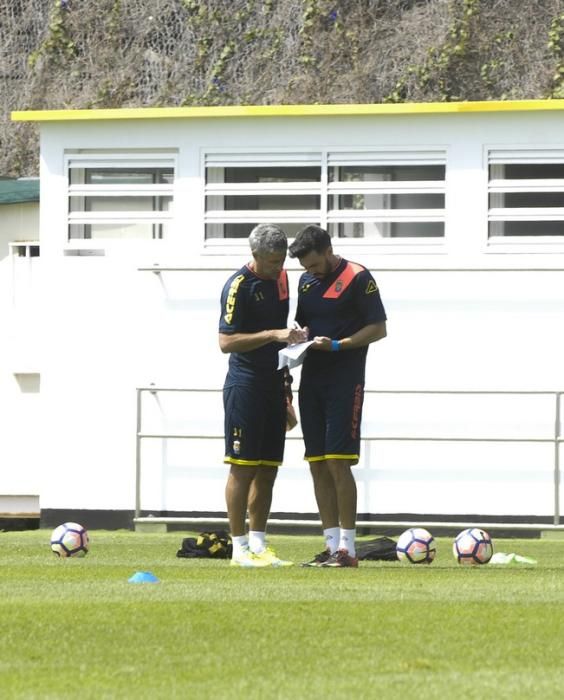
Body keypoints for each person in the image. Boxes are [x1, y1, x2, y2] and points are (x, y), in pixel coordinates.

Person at [288, 225, 387, 568]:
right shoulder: (305, 282)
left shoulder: (359, 277)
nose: (310, 272)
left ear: (329, 251)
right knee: (316, 463)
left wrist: (339, 345)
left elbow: (379, 328)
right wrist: (297, 339)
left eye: (314, 264)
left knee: (337, 462)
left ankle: (348, 549)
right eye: (305, 267)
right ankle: (330, 546)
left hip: (345, 381)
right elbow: (304, 325)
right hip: (311, 380)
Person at [219, 224, 307, 568]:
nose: (277, 267)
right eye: (271, 261)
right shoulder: (238, 286)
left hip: (274, 385)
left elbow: (281, 337)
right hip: (245, 385)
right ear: (254, 256)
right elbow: (226, 342)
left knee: (269, 468)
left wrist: (287, 393)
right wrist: (273, 334)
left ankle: (259, 544)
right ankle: (238, 548)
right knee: (242, 468)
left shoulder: (283, 280)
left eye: (281, 260)